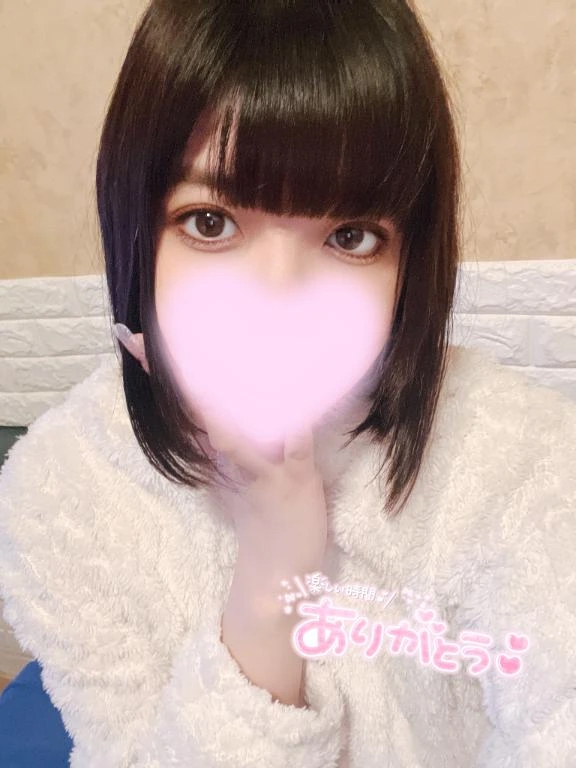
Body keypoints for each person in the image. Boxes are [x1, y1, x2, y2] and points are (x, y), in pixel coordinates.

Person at [0, 1, 575, 766]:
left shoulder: (522, 465)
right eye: (210, 221)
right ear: (136, 219)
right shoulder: (65, 489)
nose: (276, 298)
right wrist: (273, 565)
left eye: (350, 235)